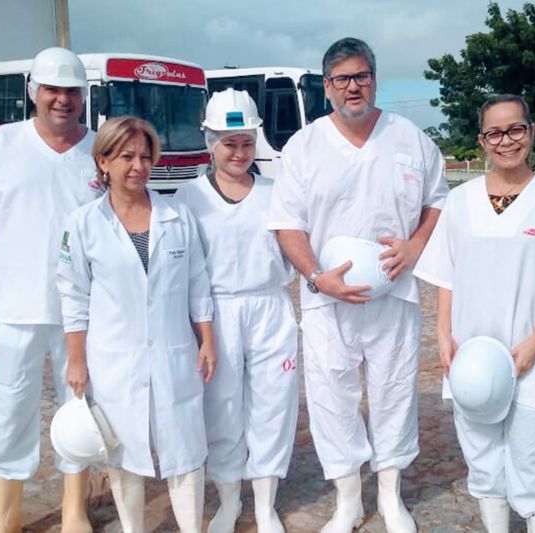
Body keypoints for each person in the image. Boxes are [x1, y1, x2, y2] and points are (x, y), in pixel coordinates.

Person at [267, 37, 448, 533]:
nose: (354, 86)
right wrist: (315, 276)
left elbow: (437, 200)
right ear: (327, 87)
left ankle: (390, 496)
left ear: (375, 78)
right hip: (328, 298)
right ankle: (348, 498)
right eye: (343, 79)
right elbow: (287, 222)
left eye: (362, 75)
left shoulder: (410, 138)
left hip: (394, 294)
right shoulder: (304, 147)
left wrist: (414, 246)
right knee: (332, 396)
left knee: (394, 391)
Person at [413, 94, 535, 533]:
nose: (506, 141)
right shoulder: (460, 201)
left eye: (515, 129)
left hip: (532, 348)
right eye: (494, 132)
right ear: (482, 140)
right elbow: (447, 273)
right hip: (471, 351)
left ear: (531, 132)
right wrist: (444, 334)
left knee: (533, 450)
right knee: (481, 452)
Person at [0, 46, 98, 533]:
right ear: (34, 93)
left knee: (80, 408)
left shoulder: (100, 149)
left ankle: (75, 508)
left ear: (83, 96)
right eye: (52, 90)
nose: (62, 100)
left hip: (86, 312)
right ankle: (6, 513)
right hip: (18, 305)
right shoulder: (0, 145)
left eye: (71, 91)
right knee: (10, 407)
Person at [55, 116, 215, 533]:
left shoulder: (177, 216)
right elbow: (73, 296)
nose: (138, 166)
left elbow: (198, 282)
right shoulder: (83, 224)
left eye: (146, 156)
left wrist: (207, 339)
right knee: (124, 455)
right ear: (103, 162)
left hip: (174, 352)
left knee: (185, 449)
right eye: (126, 156)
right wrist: (76, 359)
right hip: (113, 358)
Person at [175, 88, 298, 533]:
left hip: (269, 306)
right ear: (210, 141)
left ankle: (265, 502)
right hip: (216, 313)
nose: (239, 152)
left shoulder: (276, 192)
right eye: (229, 143)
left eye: (247, 142)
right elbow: (184, 270)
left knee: (273, 404)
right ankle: (228, 498)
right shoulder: (188, 199)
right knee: (221, 406)